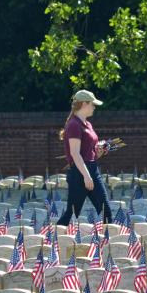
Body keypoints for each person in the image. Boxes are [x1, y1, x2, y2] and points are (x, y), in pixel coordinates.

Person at [56, 90, 113, 227]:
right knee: (70, 213)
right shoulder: (74, 125)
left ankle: (107, 244)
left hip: (92, 169)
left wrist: (99, 150)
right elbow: (75, 154)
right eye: (92, 104)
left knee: (106, 211)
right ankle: (52, 242)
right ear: (84, 104)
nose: (94, 107)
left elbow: (89, 151)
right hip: (79, 173)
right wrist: (86, 176)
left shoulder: (87, 124)